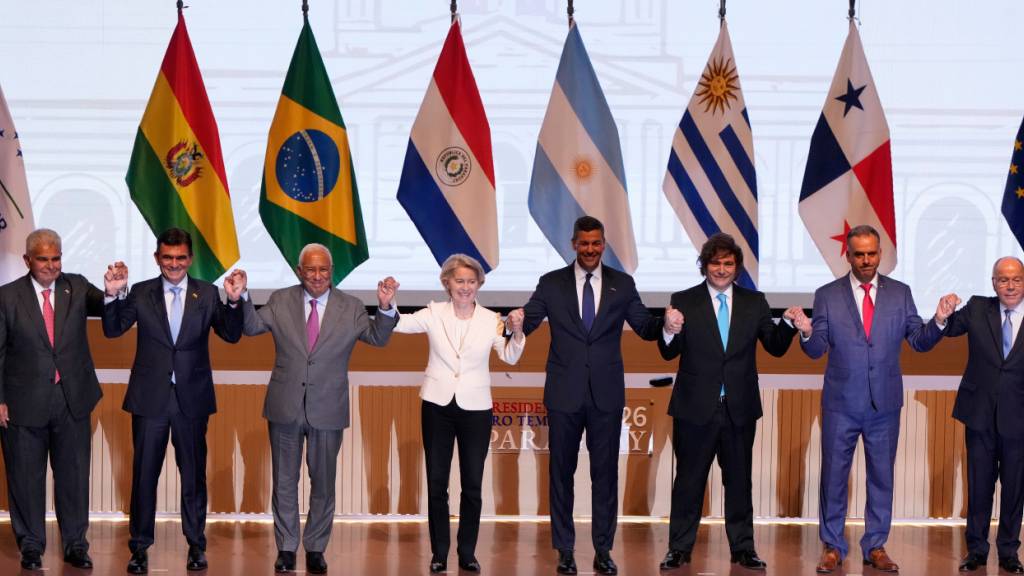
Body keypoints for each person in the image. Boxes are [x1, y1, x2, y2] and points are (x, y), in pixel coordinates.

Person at [790, 224, 957, 573]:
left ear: (880, 253)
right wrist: (806, 331)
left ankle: (876, 546)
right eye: (859, 254)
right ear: (847, 255)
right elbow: (816, 348)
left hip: (885, 404)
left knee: (881, 477)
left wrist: (939, 320)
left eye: (872, 253)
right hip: (841, 404)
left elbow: (919, 341)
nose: (866, 260)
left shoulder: (900, 293)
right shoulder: (827, 294)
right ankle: (833, 546)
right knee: (833, 477)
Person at [236, 243, 398, 575]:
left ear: (331, 271)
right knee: (284, 481)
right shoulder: (281, 300)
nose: (317, 276)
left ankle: (316, 548)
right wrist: (241, 296)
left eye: (323, 269)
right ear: (299, 271)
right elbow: (252, 327)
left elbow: (378, 339)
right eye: (310, 269)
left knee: (323, 482)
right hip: (285, 407)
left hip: (328, 408)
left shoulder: (351, 307)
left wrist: (384, 309)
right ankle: (285, 547)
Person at [516, 215, 664, 576]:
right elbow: (530, 320)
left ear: (604, 243)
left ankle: (603, 550)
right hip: (564, 395)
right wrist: (514, 322)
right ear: (573, 244)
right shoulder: (550, 284)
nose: (590, 250)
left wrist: (670, 324)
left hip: (606, 397)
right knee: (560, 474)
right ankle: (564, 550)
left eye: (596, 243)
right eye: (584, 243)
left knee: (605, 476)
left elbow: (645, 327)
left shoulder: (622, 284)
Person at [102, 227, 244, 574]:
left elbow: (231, 334)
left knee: (193, 477)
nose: (174, 264)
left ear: (190, 258)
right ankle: (139, 548)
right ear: (157, 258)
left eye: (181, 258)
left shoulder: (208, 294)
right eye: (168, 258)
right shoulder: (140, 292)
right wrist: (111, 294)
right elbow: (113, 329)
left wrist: (235, 300)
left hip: (191, 401)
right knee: (144, 477)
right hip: (150, 399)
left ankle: (196, 546)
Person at [656, 233, 800, 572]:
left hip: (739, 408)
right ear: (705, 265)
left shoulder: (755, 302)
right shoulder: (684, 300)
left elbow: (776, 346)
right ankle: (679, 548)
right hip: (694, 408)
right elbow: (667, 351)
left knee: (739, 482)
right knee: (689, 482)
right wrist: (668, 328)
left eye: (729, 263)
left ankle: (743, 549)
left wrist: (790, 324)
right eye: (716, 263)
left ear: (737, 268)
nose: (722, 269)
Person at [392, 253, 525, 574]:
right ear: (447, 283)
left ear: (479, 284)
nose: (465, 287)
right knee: (437, 484)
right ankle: (439, 553)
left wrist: (517, 332)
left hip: (476, 409)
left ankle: (467, 553)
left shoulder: (492, 320)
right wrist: (388, 303)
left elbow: (509, 357)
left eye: (471, 281)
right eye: (459, 281)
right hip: (437, 405)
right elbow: (401, 324)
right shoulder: (434, 313)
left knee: (473, 485)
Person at [0, 229, 112, 570]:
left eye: (56, 258)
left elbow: (106, 308)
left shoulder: (76, 286)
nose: (51, 266)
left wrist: (113, 291)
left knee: (74, 477)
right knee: (25, 478)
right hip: (22, 403)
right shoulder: (7, 297)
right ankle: (31, 545)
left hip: (72, 400)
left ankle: (76, 545)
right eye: (44, 259)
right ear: (28, 261)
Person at [942, 256, 1024, 574]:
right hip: (979, 416)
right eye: (1003, 279)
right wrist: (942, 315)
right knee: (979, 487)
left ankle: (1008, 552)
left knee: (1015, 489)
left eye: (1016, 279)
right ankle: (976, 550)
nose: (1010, 285)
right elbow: (947, 329)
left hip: (1019, 419)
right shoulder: (977, 308)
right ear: (993, 283)